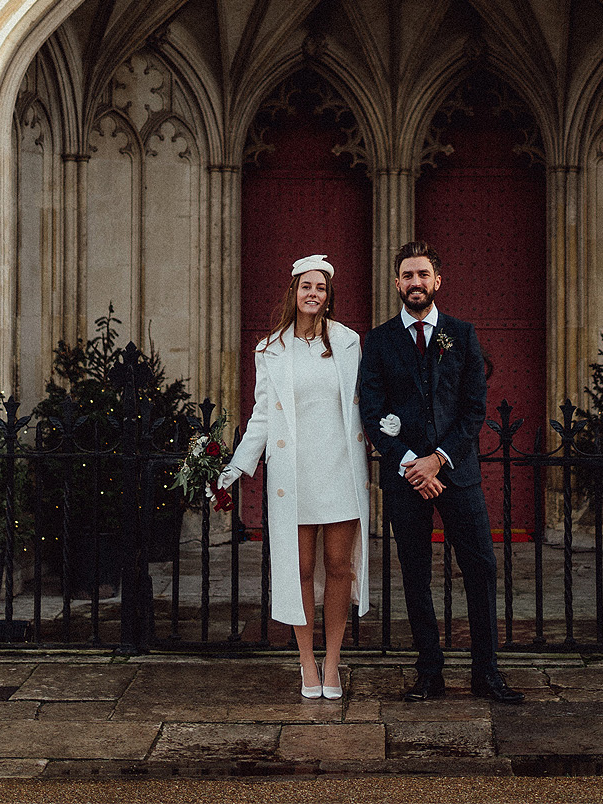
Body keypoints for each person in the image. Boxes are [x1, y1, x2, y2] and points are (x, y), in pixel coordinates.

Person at [358, 241, 523, 704]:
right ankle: (429, 671)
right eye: (407, 275)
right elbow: (372, 412)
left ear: (437, 281)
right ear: (397, 283)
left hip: (457, 474)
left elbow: (473, 410)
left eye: (422, 275)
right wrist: (413, 463)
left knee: (480, 569)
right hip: (406, 478)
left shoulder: (462, 334)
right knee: (415, 573)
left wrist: (439, 459)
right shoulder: (380, 340)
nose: (415, 283)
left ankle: (485, 673)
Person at [220, 255, 369, 700]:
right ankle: (306, 660)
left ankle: (334, 660)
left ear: (328, 296)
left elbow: (364, 403)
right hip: (296, 476)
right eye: (306, 286)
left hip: (340, 470)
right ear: (294, 292)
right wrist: (232, 470)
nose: (313, 294)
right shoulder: (270, 349)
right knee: (301, 571)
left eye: (320, 288)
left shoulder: (348, 343)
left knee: (339, 569)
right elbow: (262, 417)